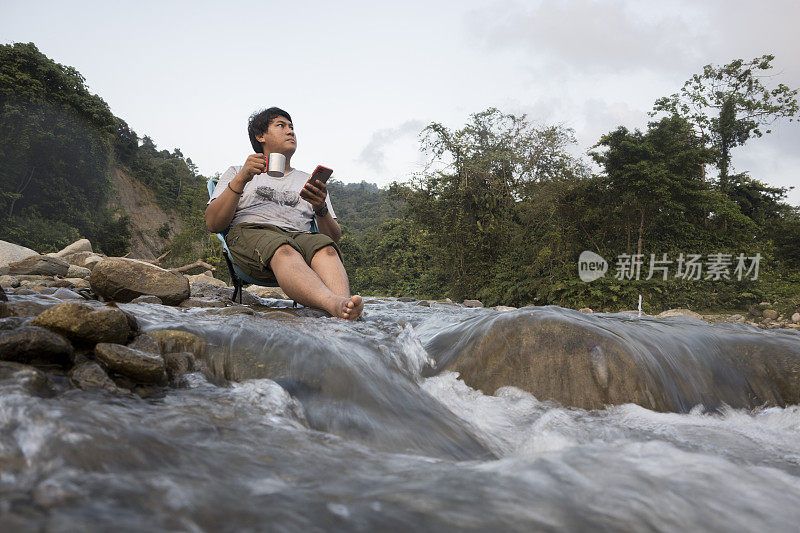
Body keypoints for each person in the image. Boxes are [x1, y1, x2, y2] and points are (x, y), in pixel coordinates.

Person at [205, 107, 363, 320]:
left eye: (292, 127)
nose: (290, 131)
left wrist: (320, 207)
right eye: (281, 126)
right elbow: (213, 223)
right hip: (252, 233)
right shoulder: (237, 171)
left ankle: (345, 310)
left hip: (299, 238)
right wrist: (242, 179)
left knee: (326, 249)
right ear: (260, 136)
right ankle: (334, 304)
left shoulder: (309, 181)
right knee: (283, 248)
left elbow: (332, 238)